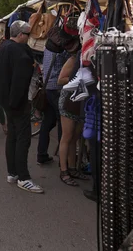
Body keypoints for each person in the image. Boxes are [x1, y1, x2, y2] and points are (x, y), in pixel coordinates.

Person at [0, 20, 44, 194]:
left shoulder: (5, 47)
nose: (29, 38)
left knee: (12, 136)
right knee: (23, 138)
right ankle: (23, 177)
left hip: (7, 101)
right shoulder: (19, 52)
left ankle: (12, 173)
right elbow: (20, 81)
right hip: (17, 102)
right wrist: (20, 103)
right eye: (28, 34)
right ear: (20, 35)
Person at [57, 53, 90, 186]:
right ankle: (64, 171)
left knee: (74, 137)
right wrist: (79, 80)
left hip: (81, 102)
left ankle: (72, 168)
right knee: (67, 136)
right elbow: (60, 80)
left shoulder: (91, 60)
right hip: (69, 100)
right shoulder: (73, 59)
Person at [37, 47, 69, 165]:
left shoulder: (47, 47)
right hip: (58, 88)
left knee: (47, 122)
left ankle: (42, 154)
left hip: (48, 87)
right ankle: (63, 160)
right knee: (63, 124)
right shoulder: (63, 50)